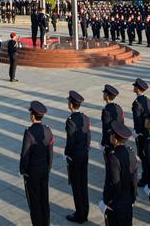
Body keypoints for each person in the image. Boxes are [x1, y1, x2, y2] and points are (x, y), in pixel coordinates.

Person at [20, 100, 54, 226]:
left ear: (32, 116)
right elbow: (50, 153)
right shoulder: (48, 130)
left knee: (35, 203)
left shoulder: (29, 132)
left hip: (32, 173)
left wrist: (23, 170)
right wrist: (48, 168)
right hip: (44, 170)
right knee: (44, 200)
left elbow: (25, 155)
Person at [101, 122, 138, 226]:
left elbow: (114, 183)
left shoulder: (113, 157)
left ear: (115, 139)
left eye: (112, 134)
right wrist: (133, 197)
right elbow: (134, 179)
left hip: (117, 204)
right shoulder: (130, 152)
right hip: (128, 200)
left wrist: (107, 201)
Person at [65, 91, 91, 224]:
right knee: (83, 184)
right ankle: (84, 211)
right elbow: (88, 136)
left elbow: (70, 141)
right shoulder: (85, 117)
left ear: (70, 105)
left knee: (77, 186)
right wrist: (86, 148)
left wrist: (67, 154)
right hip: (84, 154)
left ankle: (80, 215)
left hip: (75, 157)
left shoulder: (70, 121)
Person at [131, 78, 150, 166]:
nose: (134, 88)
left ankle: (146, 174)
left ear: (138, 89)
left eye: (135, 86)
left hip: (142, 132)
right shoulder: (147, 100)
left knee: (141, 153)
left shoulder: (136, 103)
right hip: (148, 129)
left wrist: (137, 132)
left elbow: (137, 119)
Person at [101, 84, 123, 155]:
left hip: (110, 142)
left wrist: (103, 143)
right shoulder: (118, 107)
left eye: (104, 93)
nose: (103, 95)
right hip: (118, 139)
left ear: (107, 96)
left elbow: (106, 128)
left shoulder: (106, 110)